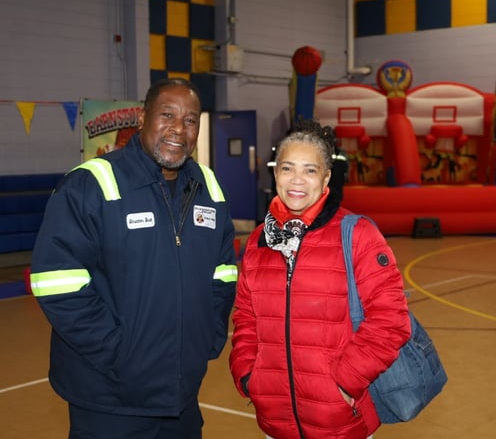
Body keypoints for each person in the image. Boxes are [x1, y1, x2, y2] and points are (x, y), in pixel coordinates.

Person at [30, 78, 238, 439]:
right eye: (167, 115)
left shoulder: (208, 187)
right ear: (142, 119)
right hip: (109, 399)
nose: (178, 128)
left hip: (180, 397)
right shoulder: (91, 184)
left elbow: (223, 273)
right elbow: (57, 283)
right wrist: (119, 354)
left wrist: (207, 336)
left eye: (190, 120)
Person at [229, 119, 411, 439]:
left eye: (310, 170)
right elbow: (246, 317)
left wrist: (345, 383)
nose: (297, 180)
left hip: (341, 421)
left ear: (326, 177)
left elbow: (391, 321)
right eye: (287, 168)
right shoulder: (259, 241)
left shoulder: (357, 235)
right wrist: (248, 374)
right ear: (275, 173)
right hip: (276, 420)